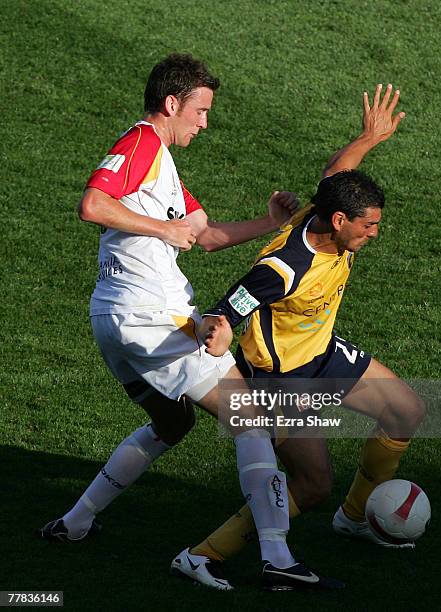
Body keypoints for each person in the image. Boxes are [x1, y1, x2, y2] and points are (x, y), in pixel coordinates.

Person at [38, 53, 343, 592]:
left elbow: (202, 234)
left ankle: (75, 521)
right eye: (200, 110)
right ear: (172, 103)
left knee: (172, 424)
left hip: (112, 320)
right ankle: (276, 555)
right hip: (152, 316)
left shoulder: (164, 166)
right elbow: (93, 204)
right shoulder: (140, 145)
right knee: (250, 416)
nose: (205, 121)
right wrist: (159, 228)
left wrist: (273, 222)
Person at [170, 83, 425, 589]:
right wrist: (218, 332)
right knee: (311, 485)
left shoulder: (328, 210)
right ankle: (202, 556)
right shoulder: (284, 268)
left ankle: (354, 520)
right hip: (280, 380)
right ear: (339, 221)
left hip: (320, 353)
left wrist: (369, 137)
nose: (374, 233)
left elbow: (337, 170)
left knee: (406, 412)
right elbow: (232, 304)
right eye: (369, 226)